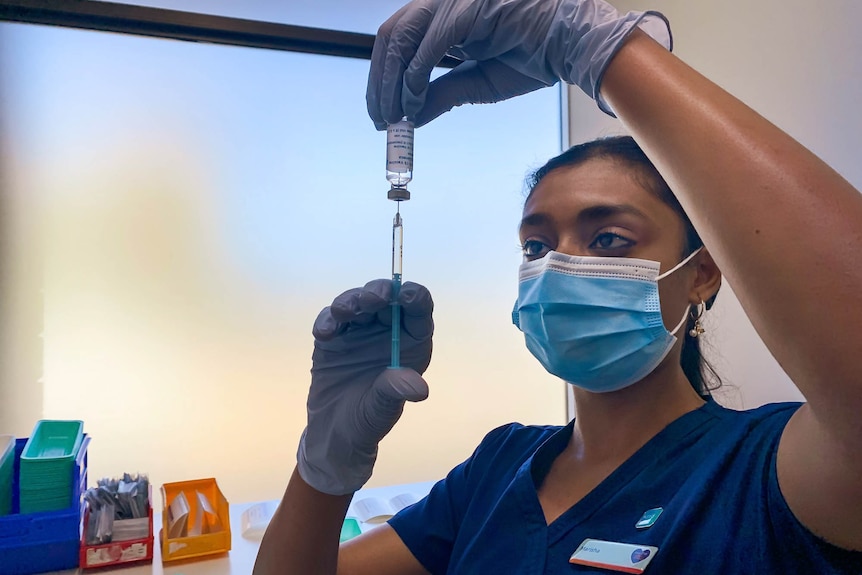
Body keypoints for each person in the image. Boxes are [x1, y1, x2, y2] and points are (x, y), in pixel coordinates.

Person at [253, 0, 862, 573]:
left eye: (608, 239)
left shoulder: (760, 470)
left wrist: (598, 49)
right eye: (536, 247)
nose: (558, 266)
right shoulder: (498, 468)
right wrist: (324, 468)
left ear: (701, 274)